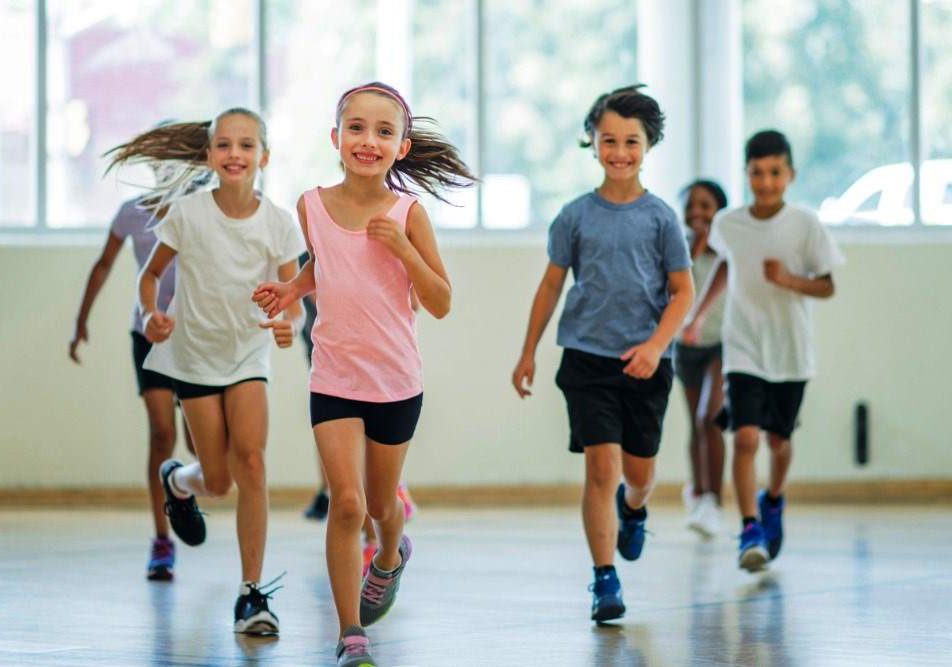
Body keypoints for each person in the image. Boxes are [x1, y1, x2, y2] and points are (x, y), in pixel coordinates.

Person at [252, 82, 475, 666]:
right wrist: (291, 289)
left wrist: (403, 249)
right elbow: (321, 266)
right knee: (346, 505)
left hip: (396, 383)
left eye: (383, 132)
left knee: (381, 505)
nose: (367, 140)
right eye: (356, 128)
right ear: (335, 138)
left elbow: (442, 300)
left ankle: (391, 556)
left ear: (401, 147)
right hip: (333, 378)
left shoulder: (409, 213)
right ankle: (351, 632)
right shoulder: (311, 205)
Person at [106, 107, 305, 633]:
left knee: (253, 464)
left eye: (246, 145)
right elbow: (149, 278)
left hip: (247, 355)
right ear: (210, 155)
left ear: (264, 156)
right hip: (193, 355)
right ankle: (179, 480)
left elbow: (295, 298)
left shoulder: (280, 222)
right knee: (217, 481)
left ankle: (252, 595)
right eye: (224, 145)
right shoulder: (187, 214)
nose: (234, 154)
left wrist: (288, 320)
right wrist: (152, 315)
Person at [511, 85, 694, 623]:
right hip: (586, 360)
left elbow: (682, 291)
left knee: (638, 473)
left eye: (631, 142)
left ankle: (634, 509)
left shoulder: (661, 219)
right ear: (592, 143)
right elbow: (550, 286)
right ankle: (603, 578)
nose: (619, 152)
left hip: (646, 362)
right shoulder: (574, 216)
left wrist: (657, 347)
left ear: (648, 145)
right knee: (601, 467)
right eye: (608, 140)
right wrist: (528, 353)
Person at [683, 129, 844, 573]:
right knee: (747, 436)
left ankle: (773, 499)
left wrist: (790, 280)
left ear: (789, 175)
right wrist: (697, 316)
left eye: (775, 173)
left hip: (790, 350)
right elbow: (721, 266)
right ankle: (750, 527)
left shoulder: (806, 224)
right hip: (743, 346)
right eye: (757, 173)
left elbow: (828, 285)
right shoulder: (729, 223)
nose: (766, 182)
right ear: (747, 174)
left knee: (779, 440)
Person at [69, 165, 201, 581]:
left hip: (195, 336)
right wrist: (81, 322)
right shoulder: (131, 212)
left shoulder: (201, 212)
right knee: (162, 433)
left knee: (202, 448)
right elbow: (103, 264)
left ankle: (183, 487)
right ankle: (162, 541)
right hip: (148, 332)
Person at [674, 180, 729, 539]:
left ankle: (714, 499)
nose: (698, 212)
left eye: (706, 205)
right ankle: (698, 493)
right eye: (691, 206)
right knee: (695, 424)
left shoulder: (728, 249)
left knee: (710, 417)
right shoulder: (679, 249)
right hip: (685, 347)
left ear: (719, 210)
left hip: (724, 344)